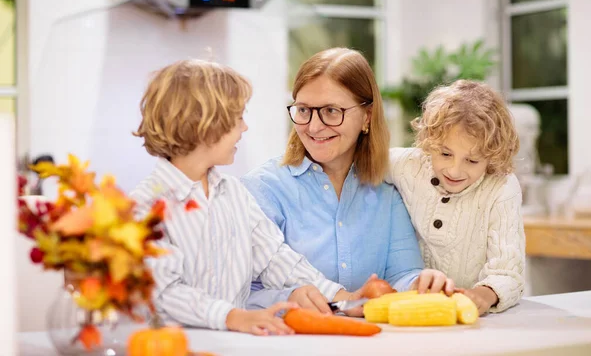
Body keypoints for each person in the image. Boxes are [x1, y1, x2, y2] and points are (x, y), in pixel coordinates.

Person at [130, 59, 356, 336]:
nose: (244, 128)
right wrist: (233, 317)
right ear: (206, 124)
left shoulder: (234, 193)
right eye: (238, 117)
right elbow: (163, 292)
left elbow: (274, 258)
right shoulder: (146, 206)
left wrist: (340, 296)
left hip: (234, 345)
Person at [242, 48, 454, 314]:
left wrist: (421, 284)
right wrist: (290, 299)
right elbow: (240, 293)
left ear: (367, 116)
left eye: (331, 111)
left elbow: (402, 274)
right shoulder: (262, 189)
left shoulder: (387, 189)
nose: (314, 126)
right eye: (304, 110)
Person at [388, 79, 525, 315]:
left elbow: (508, 273)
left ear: (492, 156)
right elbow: (361, 161)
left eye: (471, 161)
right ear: (430, 142)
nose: (454, 170)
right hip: (413, 309)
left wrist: (485, 294)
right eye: (445, 153)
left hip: (470, 317)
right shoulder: (410, 165)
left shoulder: (501, 188)